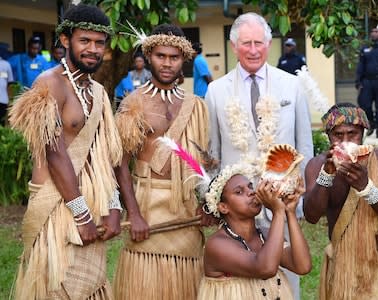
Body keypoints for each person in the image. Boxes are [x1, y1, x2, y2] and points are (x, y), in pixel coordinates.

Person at [8, 4, 123, 299]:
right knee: (56, 288)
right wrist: (81, 215)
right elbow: (54, 153)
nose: (93, 49)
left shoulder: (97, 92)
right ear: (65, 40)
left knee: (89, 285)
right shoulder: (49, 84)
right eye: (84, 41)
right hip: (57, 206)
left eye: (99, 43)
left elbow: (106, 153)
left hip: (92, 202)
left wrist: (114, 205)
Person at [205, 12, 313, 299]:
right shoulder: (216, 91)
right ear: (233, 47)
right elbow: (212, 155)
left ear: (269, 44)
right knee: (243, 282)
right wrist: (214, 203)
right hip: (239, 210)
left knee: (289, 276)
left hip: (282, 201)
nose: (253, 50)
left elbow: (305, 147)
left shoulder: (292, 85)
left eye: (259, 43)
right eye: (246, 43)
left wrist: (297, 201)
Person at [113, 23, 210, 300]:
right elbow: (120, 164)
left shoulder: (196, 106)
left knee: (187, 285)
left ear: (184, 60)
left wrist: (208, 203)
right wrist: (133, 214)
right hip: (147, 204)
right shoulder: (134, 103)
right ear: (149, 56)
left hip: (185, 209)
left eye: (174, 57)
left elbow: (201, 163)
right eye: (160, 56)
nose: (167, 64)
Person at [303, 103, 378, 299]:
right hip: (341, 260)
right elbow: (312, 215)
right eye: (338, 135)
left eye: (352, 134)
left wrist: (366, 187)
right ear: (328, 135)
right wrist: (327, 173)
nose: (346, 140)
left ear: (363, 132)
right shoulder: (317, 165)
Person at [198, 163, 311, 299]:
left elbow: (302, 266)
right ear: (223, 207)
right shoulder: (217, 245)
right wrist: (278, 212)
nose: (251, 192)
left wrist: (290, 211)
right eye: (239, 192)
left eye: (250, 187)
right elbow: (265, 268)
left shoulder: (266, 234)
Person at [0, 55, 13, 125]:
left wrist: (10, 99)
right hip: (4, 99)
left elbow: (10, 83)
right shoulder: (6, 64)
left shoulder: (6, 64)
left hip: (3, 99)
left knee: (2, 122)